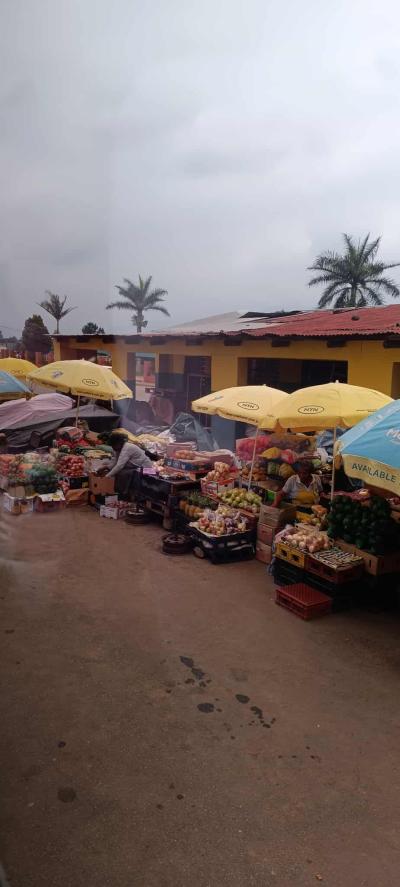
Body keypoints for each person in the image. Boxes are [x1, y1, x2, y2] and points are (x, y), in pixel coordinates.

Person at [100, 432, 155, 498]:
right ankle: (120, 492)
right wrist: (106, 467)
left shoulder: (127, 448)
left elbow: (119, 466)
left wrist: (106, 477)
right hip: (135, 467)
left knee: (123, 473)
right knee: (118, 472)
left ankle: (125, 494)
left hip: (146, 469)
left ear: (119, 443)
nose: (113, 447)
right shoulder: (117, 449)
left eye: (114, 445)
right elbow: (115, 462)